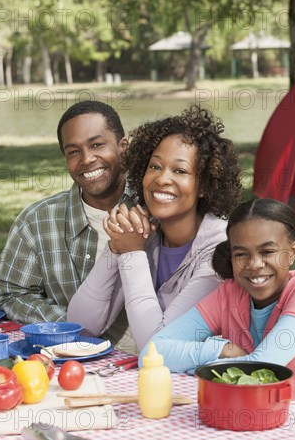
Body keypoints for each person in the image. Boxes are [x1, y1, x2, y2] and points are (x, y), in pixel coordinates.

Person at [139, 198, 295, 415]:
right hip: (265, 424)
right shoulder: (229, 293)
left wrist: (192, 362)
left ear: (292, 251)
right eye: (242, 254)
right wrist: (221, 350)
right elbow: (152, 352)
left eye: (267, 252)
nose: (254, 265)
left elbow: (262, 366)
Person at [67, 105, 243, 351]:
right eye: (155, 166)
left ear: (203, 185)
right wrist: (116, 246)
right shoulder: (144, 234)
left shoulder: (220, 251)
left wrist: (130, 254)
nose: (162, 179)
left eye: (180, 170)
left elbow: (155, 347)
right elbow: (79, 326)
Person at [0, 100, 133, 349]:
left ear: (124, 147)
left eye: (97, 144)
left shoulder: (156, 209)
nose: (87, 159)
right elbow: (9, 293)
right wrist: (71, 326)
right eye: (74, 152)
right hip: (71, 356)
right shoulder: (37, 221)